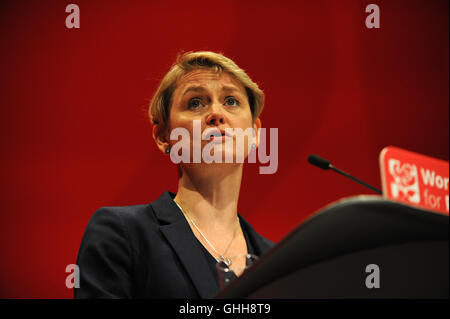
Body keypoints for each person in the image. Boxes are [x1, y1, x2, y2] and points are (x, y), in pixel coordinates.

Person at [74, 51, 274, 299]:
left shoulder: (277, 261)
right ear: (163, 136)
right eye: (195, 103)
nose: (216, 114)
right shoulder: (123, 234)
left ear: (254, 133)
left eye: (231, 101)